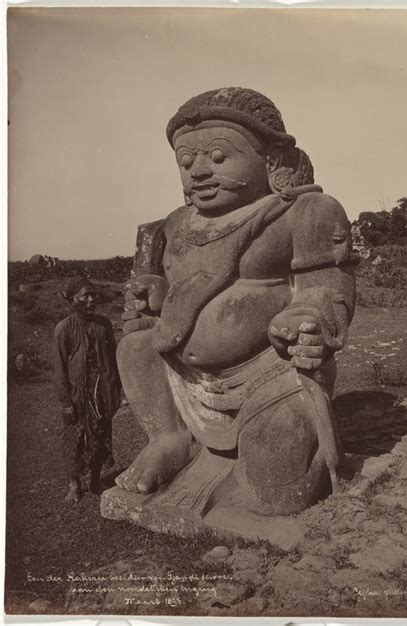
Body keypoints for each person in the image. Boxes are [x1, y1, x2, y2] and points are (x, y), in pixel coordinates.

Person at [115, 87, 357, 517]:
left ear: (273, 161)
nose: (200, 172)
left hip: (270, 375)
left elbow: (327, 288)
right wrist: (158, 294)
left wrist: (309, 318)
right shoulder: (174, 225)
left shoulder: (304, 212)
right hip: (185, 377)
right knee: (135, 346)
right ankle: (169, 438)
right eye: (186, 162)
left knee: (276, 495)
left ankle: (280, 450)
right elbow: (186, 292)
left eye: (219, 157)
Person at [54, 277, 122, 503]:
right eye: (85, 295)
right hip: (77, 394)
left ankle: (94, 480)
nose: (91, 299)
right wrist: (66, 402)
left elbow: (113, 358)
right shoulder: (64, 329)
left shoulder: (104, 325)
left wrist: (115, 389)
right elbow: (60, 368)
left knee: (100, 436)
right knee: (75, 440)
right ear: (73, 300)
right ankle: (74, 485)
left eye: (93, 295)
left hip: (101, 392)